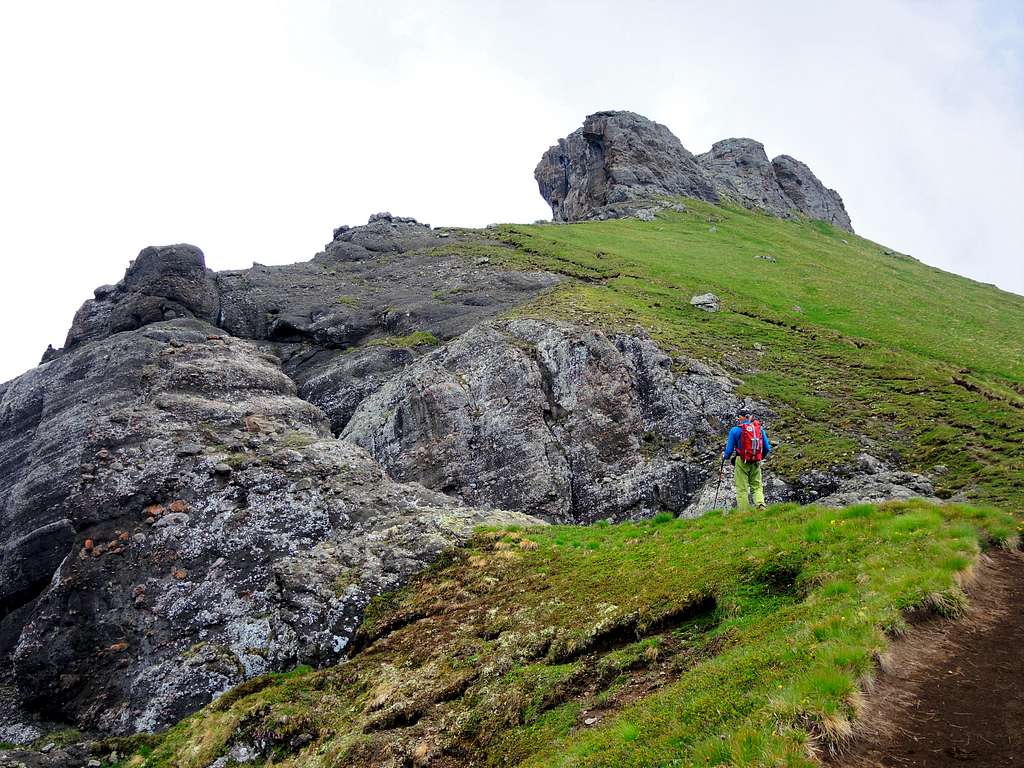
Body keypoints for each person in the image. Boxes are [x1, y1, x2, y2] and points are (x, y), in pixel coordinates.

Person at [722, 412, 772, 511]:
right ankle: (760, 504)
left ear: (741, 418)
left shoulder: (735, 430)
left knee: (742, 488)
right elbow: (766, 447)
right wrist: (759, 458)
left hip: (741, 461)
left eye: (738, 417)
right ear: (750, 417)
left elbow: (729, 450)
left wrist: (725, 457)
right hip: (756, 461)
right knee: (757, 486)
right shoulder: (759, 429)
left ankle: (744, 512)